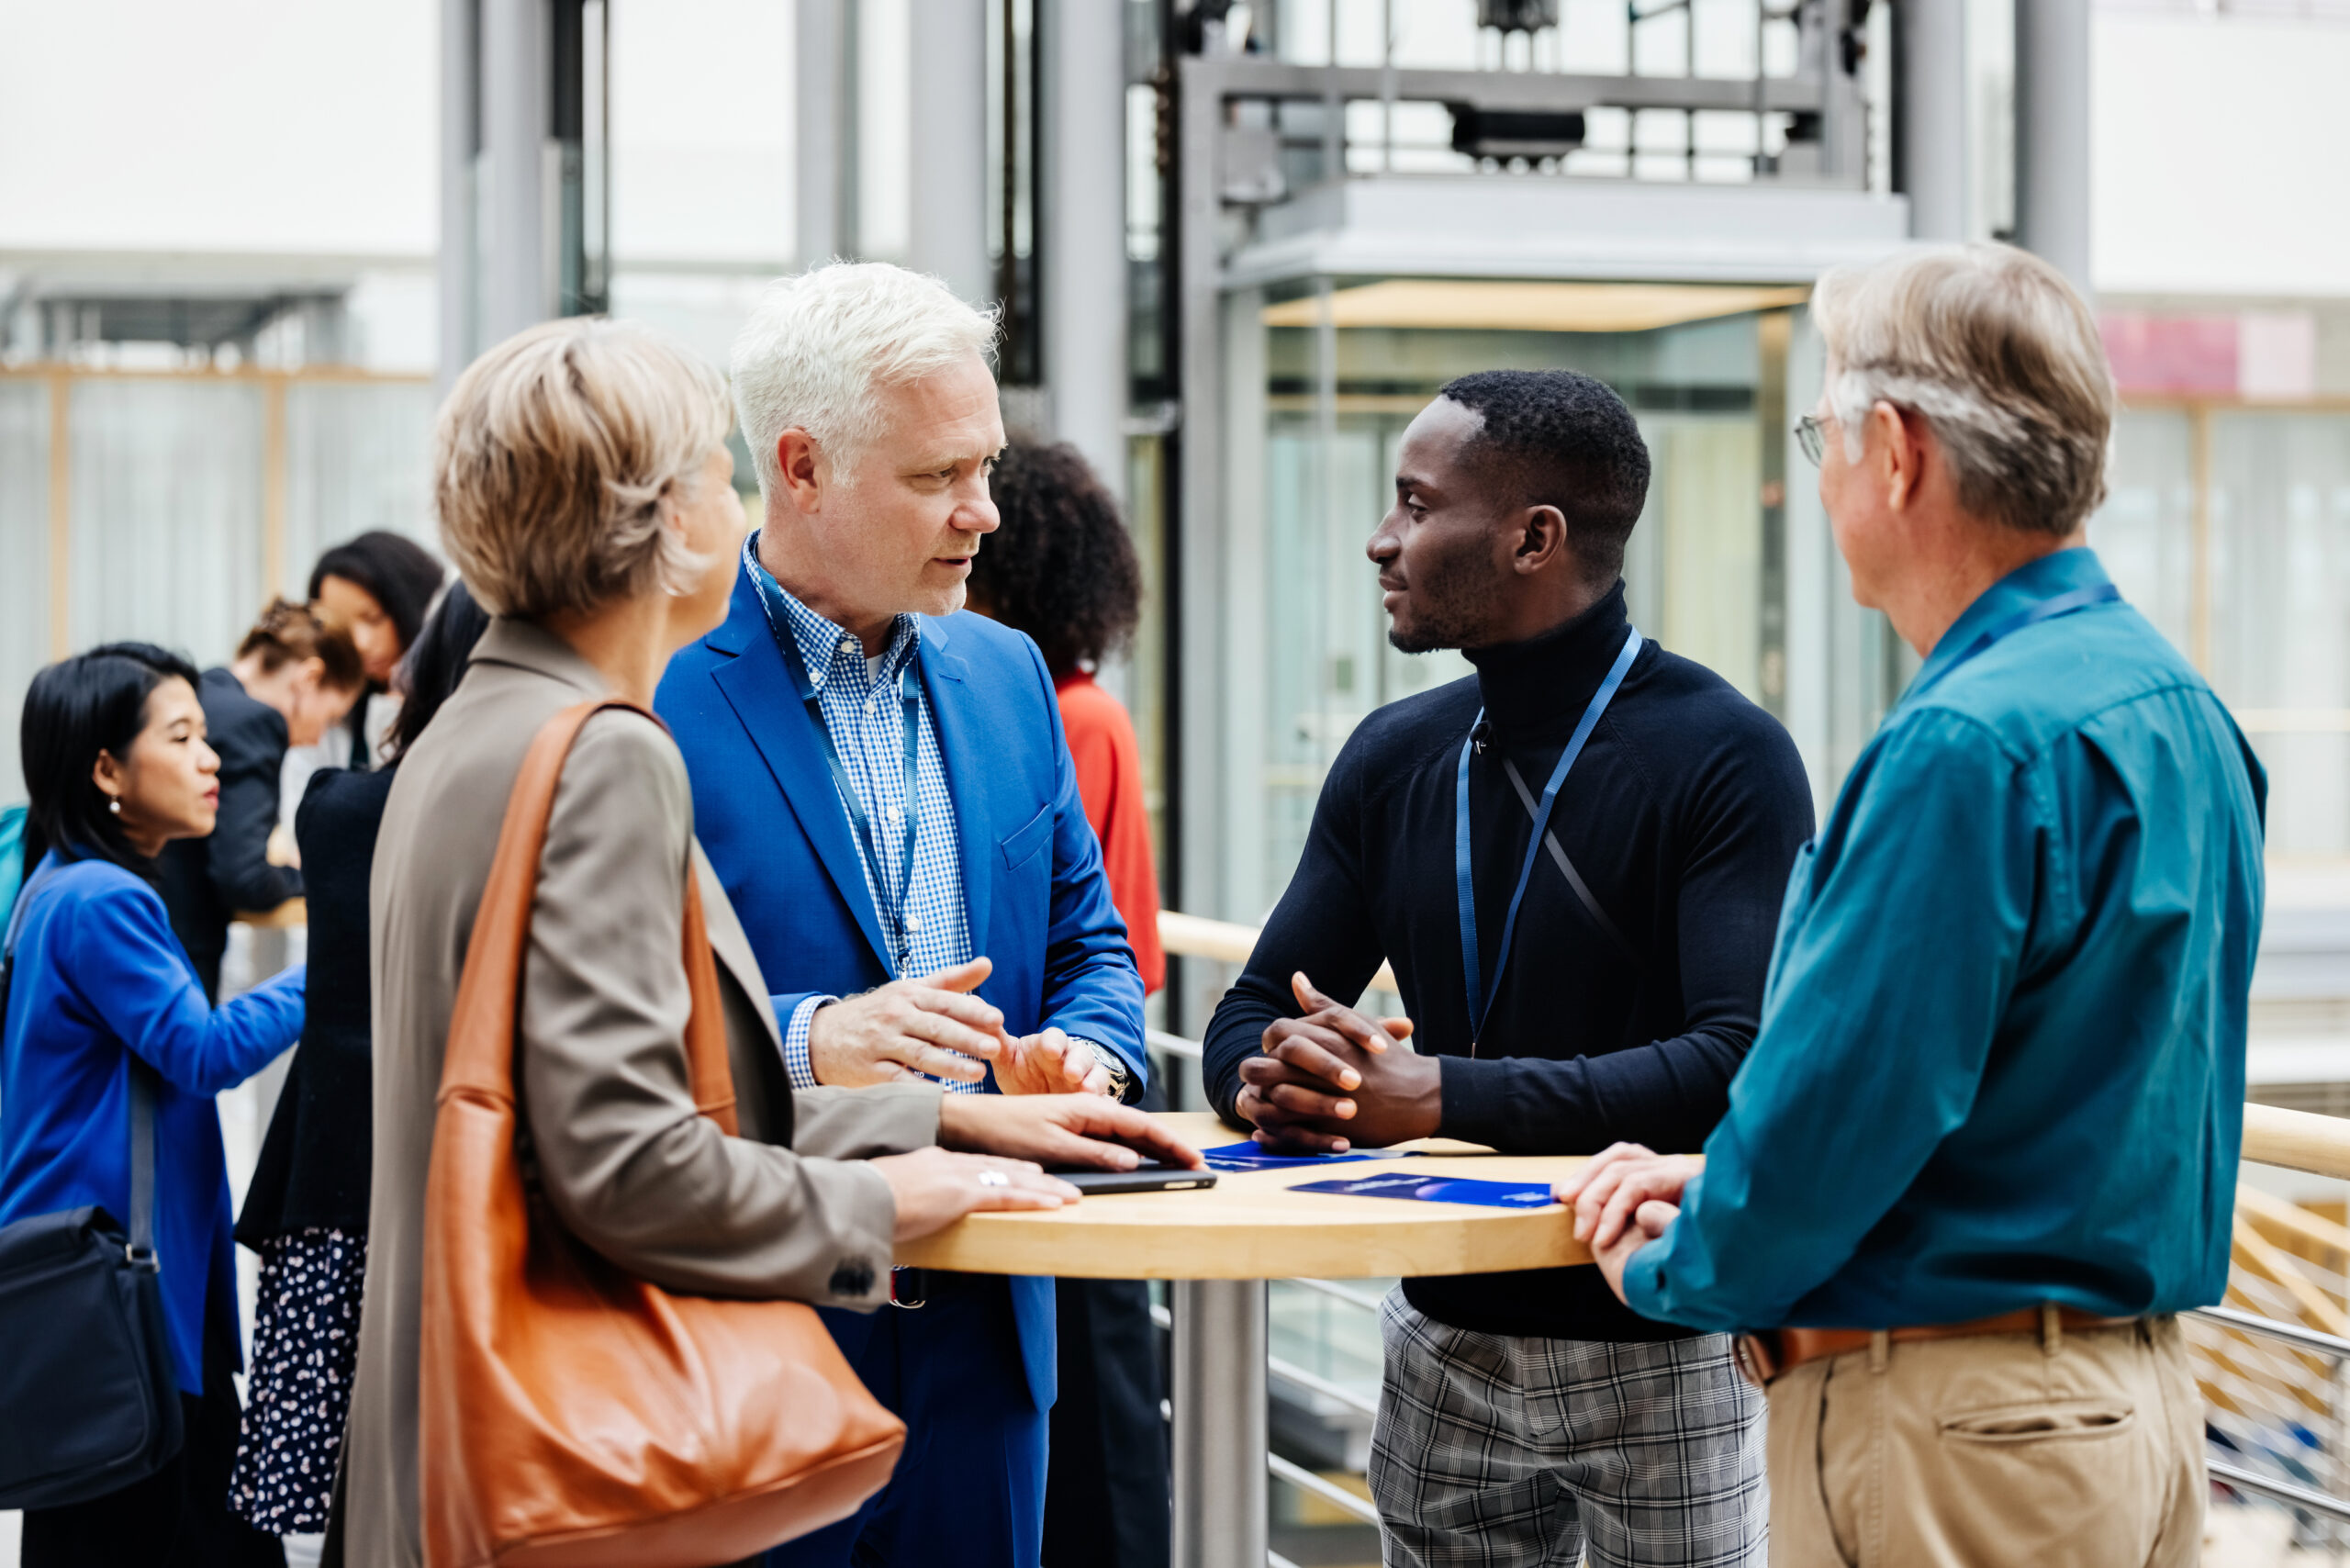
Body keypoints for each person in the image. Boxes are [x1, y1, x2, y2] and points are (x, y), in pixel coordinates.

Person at [341, 316, 1198, 1568]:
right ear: (667, 514)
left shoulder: (481, 722)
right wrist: (886, 1188)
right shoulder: (608, 744)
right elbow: (630, 1158)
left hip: (914, 1360)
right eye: (713, 470)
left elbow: (577, 1105)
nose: (733, 495)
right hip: (683, 1377)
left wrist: (946, 1116)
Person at [1561, 243, 2266, 1568]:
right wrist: (1731, 1173)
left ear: (1895, 451)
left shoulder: (1967, 745)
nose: (1814, 473)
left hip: (1957, 1436)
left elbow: (1848, 1101)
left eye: (1824, 427)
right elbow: (2048, 1099)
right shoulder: (2181, 710)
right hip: (2138, 1412)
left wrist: (1676, 1255)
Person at [1200, 369, 1814, 1568]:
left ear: (1536, 537)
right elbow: (1247, 1015)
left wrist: (1437, 1097)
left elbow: (1736, 1063)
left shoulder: (1729, 756)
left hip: (1661, 1331)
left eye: (1417, 505)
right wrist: (1278, 1078)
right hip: (1443, 1340)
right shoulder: (1393, 756)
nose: (1384, 541)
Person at [656, 262, 1153, 1568]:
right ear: (802, 467)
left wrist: (1079, 1063)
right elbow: (601, 1021)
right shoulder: (652, 696)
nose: (983, 513)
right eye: (938, 478)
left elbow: (1093, 951)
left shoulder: (1008, 675)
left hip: (991, 1342)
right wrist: (812, 1037)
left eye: (982, 467)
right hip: (755, 1333)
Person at [1, 643, 306, 1567]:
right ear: (106, 769)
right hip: (123, 1311)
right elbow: (204, 1051)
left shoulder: (53, 888)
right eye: (181, 736)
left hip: (105, 1305)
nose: (211, 759)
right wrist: (341, 965)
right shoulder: (101, 901)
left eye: (207, 737)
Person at [226, 581, 492, 1544]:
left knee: (338, 1494)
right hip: (460, 1178)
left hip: (334, 1173)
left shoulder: (339, 806)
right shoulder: (521, 811)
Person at [966, 438, 1168, 1568]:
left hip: (1063, 1076)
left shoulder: (1064, 714)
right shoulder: (1073, 707)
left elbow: (1068, 923)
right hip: (1046, 1072)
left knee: (1100, 1412)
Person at [157, 599, 364, 999]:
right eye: (330, 716)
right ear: (309, 678)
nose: (318, 737)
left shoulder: (201, 691)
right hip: (177, 959)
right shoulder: (255, 722)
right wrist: (305, 878)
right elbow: (244, 878)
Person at [307, 531, 447, 768]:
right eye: (340, 626)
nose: (360, 643)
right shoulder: (331, 714)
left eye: (374, 618)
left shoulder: (454, 701)